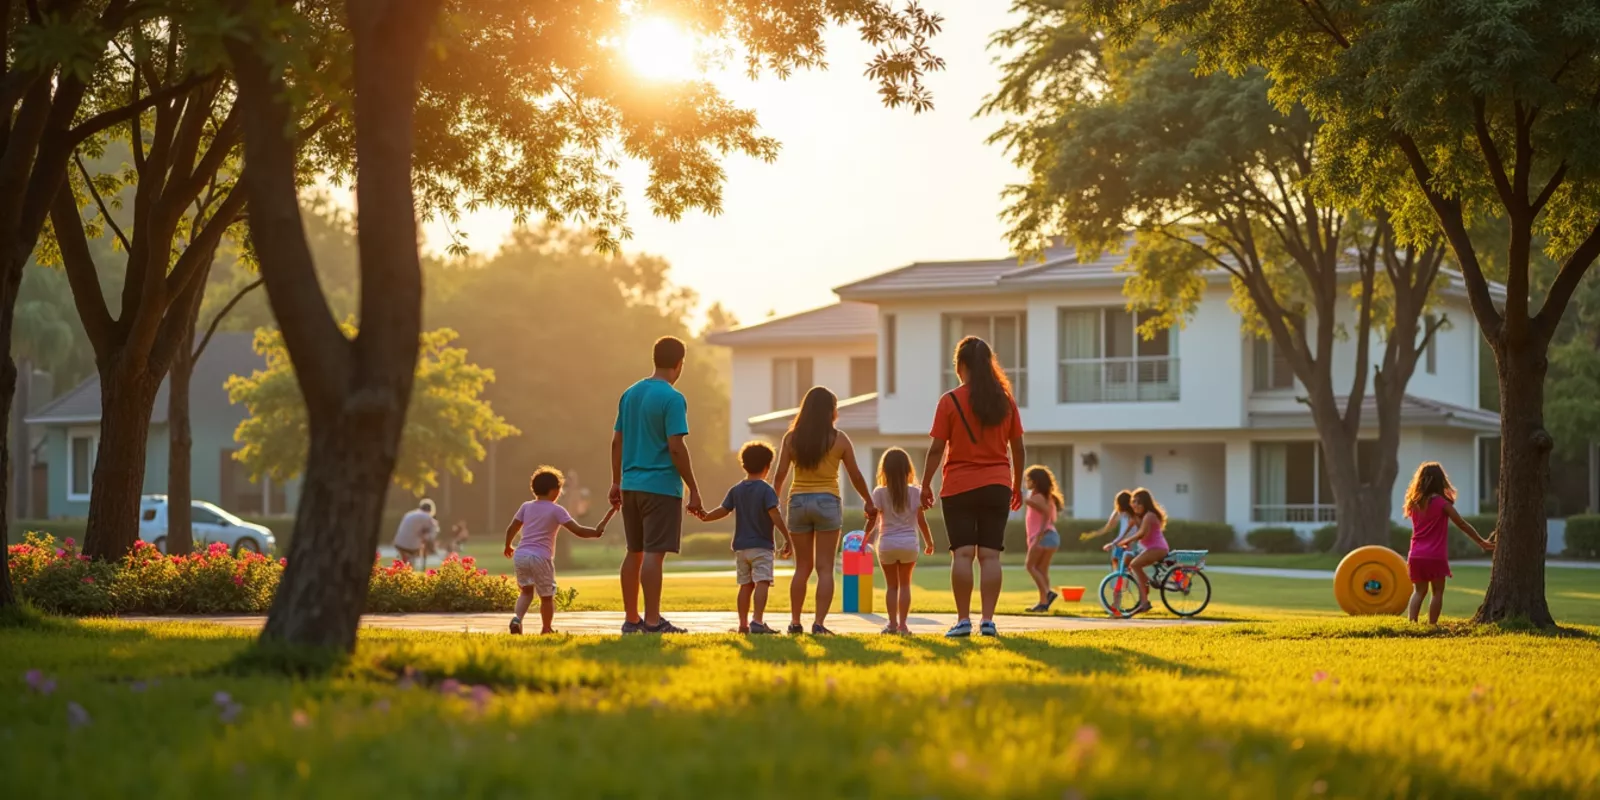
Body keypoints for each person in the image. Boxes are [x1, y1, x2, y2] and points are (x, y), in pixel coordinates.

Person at [920, 336, 1025, 638]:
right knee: (990, 556)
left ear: (961, 365)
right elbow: (1018, 448)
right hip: (997, 485)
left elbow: (937, 449)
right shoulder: (1005, 401)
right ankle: (988, 621)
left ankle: (963, 620)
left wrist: (925, 485)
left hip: (959, 486)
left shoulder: (949, 401)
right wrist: (1017, 485)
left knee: (963, 555)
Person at [611, 336, 702, 635]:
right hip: (660, 486)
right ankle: (652, 621)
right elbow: (675, 446)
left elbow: (617, 441)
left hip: (630, 484)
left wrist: (615, 481)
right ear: (679, 364)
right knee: (653, 553)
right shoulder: (673, 398)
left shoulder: (630, 394)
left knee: (633, 551)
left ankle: (631, 619)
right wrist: (693, 487)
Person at [773, 386, 877, 635]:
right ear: (831, 411)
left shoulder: (791, 438)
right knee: (824, 568)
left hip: (797, 501)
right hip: (827, 502)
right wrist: (868, 501)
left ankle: (795, 623)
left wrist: (772, 503)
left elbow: (779, 476)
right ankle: (819, 625)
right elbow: (855, 475)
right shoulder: (839, 439)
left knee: (802, 568)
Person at [696, 441, 793, 634]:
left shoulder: (736, 489)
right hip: (762, 546)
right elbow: (774, 514)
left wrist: (706, 517)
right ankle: (757, 621)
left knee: (745, 585)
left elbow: (723, 510)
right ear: (767, 467)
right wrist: (787, 537)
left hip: (741, 548)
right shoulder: (767, 490)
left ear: (744, 465)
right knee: (762, 581)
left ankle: (743, 624)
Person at [502, 467, 607, 634]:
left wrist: (508, 545)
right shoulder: (557, 510)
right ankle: (546, 628)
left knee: (526, 592)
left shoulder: (526, 507)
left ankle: (517, 619)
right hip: (541, 558)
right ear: (554, 491)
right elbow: (578, 530)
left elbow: (511, 528)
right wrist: (595, 533)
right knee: (546, 596)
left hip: (521, 555)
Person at [1403, 461, 1495, 625]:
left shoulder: (1414, 503)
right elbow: (1461, 524)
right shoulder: (1441, 503)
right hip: (1435, 556)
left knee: (1418, 592)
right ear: (1441, 481)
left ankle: (1412, 624)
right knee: (1437, 592)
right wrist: (1481, 541)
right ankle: (1432, 625)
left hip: (1416, 555)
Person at [865, 447, 934, 635]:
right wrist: (929, 542)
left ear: (884, 470)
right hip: (909, 544)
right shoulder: (916, 492)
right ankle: (903, 626)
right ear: (907, 469)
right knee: (905, 585)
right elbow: (921, 521)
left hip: (887, 544)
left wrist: (865, 540)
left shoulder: (879, 492)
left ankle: (892, 625)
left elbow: (873, 520)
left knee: (892, 586)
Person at [1114, 487, 1170, 616]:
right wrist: (1118, 542)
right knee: (1130, 561)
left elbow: (1141, 533)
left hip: (1157, 548)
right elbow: (1128, 531)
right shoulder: (1143, 516)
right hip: (1150, 549)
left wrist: (1126, 541)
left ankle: (1144, 602)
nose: (1135, 505)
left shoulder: (1150, 515)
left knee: (1135, 565)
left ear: (1145, 503)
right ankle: (1145, 584)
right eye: (1134, 502)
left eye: (1138, 502)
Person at [1023, 465, 1065, 613]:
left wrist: (1039, 536)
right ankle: (1043, 603)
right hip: (1052, 536)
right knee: (1041, 570)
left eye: (1028, 480)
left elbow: (1047, 515)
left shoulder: (1036, 497)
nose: (1025, 483)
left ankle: (1047, 593)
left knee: (1030, 566)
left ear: (1035, 481)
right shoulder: (1048, 496)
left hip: (1043, 536)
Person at [1098, 490, 1139, 569]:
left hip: (1131, 543)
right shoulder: (1123, 514)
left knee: (1126, 565)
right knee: (1115, 559)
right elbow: (1111, 522)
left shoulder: (1133, 517)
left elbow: (1125, 533)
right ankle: (1118, 578)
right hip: (1123, 542)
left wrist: (1113, 543)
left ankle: (1122, 578)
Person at [392, 498, 439, 567]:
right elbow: (433, 532)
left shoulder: (409, 514)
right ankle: (414, 567)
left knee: (403, 561)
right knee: (411, 562)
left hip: (398, 543)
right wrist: (426, 538)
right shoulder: (427, 517)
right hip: (411, 547)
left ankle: (403, 568)